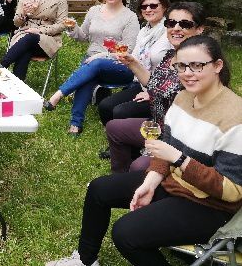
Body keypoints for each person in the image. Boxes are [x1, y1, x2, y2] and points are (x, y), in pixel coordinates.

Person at [46, 35, 242, 266]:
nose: (188, 73)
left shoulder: (235, 116)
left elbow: (232, 192)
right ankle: (85, 261)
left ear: (217, 66)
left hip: (209, 205)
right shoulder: (182, 98)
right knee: (99, 190)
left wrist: (179, 160)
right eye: (181, 66)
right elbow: (165, 150)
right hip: (174, 183)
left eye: (197, 65)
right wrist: (149, 183)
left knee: (125, 234)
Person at [105, 2, 205, 173]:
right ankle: (120, 178)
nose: (176, 28)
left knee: (139, 167)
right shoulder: (170, 56)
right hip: (158, 126)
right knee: (114, 127)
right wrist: (133, 63)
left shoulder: (201, 64)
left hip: (181, 140)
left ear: (200, 29)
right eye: (171, 23)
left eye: (185, 24)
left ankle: (139, 184)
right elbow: (154, 84)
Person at [45, 0, 140, 136]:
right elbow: (83, 37)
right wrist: (72, 27)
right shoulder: (94, 11)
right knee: (88, 76)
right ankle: (76, 124)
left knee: (94, 65)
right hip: (92, 62)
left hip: (119, 66)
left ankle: (58, 95)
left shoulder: (130, 17)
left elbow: (127, 52)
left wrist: (100, 56)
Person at [96, 0, 172, 128]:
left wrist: (153, 93)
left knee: (120, 111)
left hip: (161, 90)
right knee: (105, 106)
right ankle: (115, 137)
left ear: (164, 7)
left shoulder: (170, 32)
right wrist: (120, 53)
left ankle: (130, 141)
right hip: (139, 83)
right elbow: (135, 58)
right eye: (144, 6)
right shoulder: (144, 31)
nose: (148, 9)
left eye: (153, 6)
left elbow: (173, 72)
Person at [0, 0, 68, 80]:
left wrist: (38, 30)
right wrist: (23, 14)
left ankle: (2, 65)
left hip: (48, 38)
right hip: (25, 35)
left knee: (30, 38)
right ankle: (18, 86)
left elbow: (62, 24)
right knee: (26, 49)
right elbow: (16, 23)